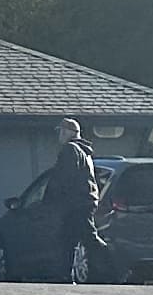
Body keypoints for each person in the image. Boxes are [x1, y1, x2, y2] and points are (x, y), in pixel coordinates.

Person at [46, 119, 109, 283]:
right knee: (70, 239)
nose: (59, 135)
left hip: (76, 203)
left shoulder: (70, 149)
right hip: (84, 201)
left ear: (68, 132)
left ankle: (111, 267)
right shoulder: (84, 152)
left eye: (61, 131)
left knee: (87, 238)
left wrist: (54, 197)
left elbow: (65, 177)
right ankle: (66, 276)